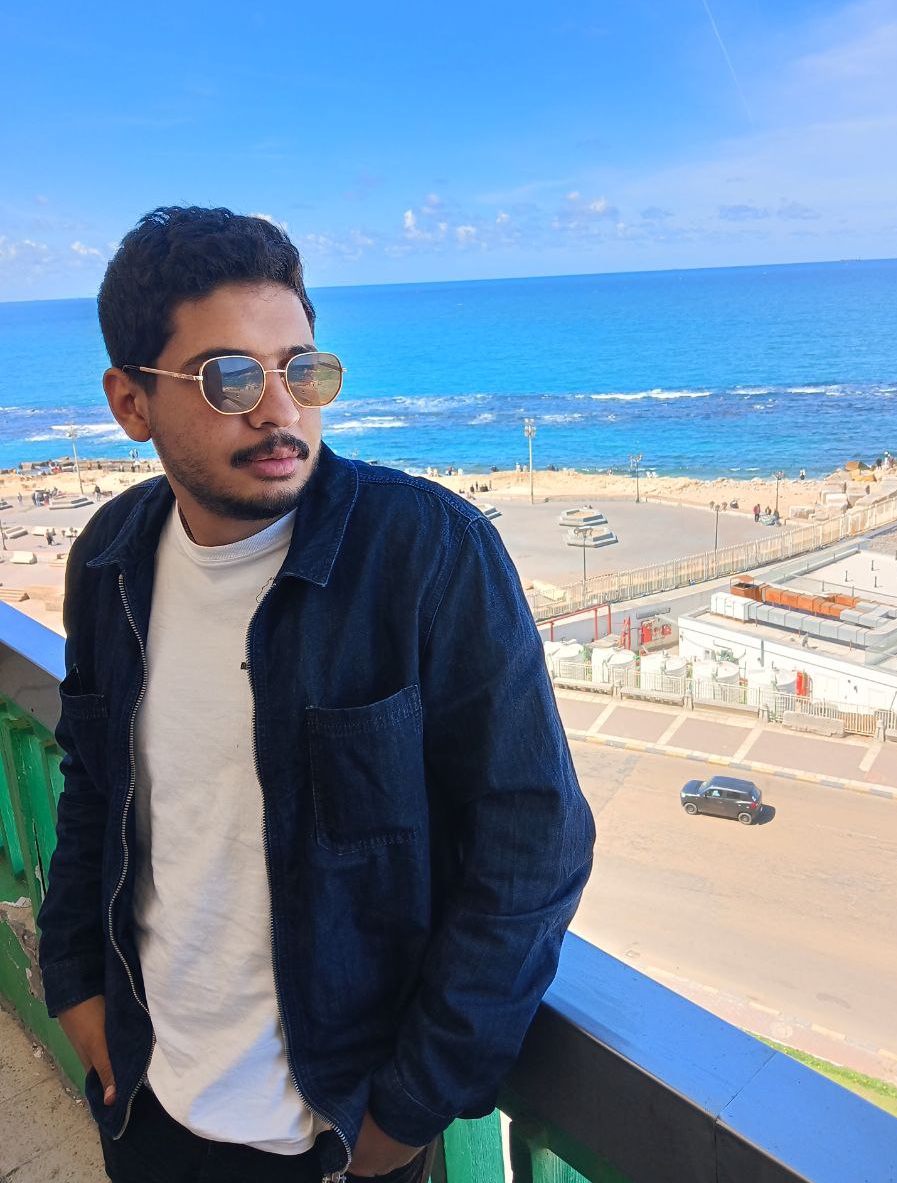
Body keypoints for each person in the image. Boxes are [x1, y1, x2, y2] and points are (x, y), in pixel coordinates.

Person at [37, 206, 594, 1183]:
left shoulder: (428, 555)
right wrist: (76, 982)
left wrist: (410, 1107)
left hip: (335, 1135)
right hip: (148, 1101)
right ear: (131, 402)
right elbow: (94, 789)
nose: (279, 411)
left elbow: (533, 841)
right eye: (230, 377)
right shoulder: (110, 560)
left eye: (301, 370)